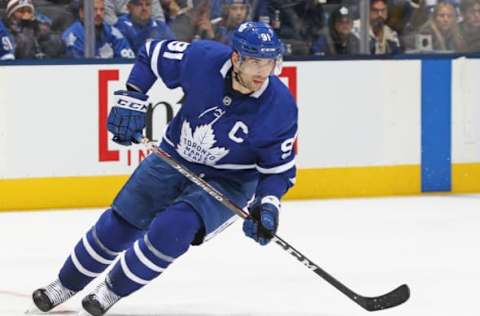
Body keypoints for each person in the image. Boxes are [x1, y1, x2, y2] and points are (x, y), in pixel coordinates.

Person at [31, 21, 298, 316]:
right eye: (256, 62)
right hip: (174, 156)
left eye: (270, 62)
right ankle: (64, 284)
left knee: (172, 230)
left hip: (230, 180)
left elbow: (278, 170)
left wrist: (268, 206)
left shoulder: (281, 107)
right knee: (117, 227)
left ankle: (110, 290)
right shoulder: (203, 58)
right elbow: (150, 53)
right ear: (236, 58)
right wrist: (133, 96)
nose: (263, 72)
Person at [62, 0, 135, 58]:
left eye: (102, 9)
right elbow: (79, 68)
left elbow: (127, 62)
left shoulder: (114, 33)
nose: (99, 13)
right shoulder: (72, 36)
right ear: (81, 12)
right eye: (94, 9)